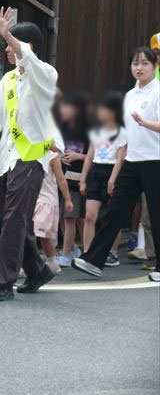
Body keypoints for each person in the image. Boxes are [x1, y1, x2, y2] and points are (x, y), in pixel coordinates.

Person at [0, 8, 57, 301]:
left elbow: (28, 59)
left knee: (15, 219)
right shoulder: (7, 81)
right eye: (6, 43)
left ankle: (4, 282)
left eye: (11, 43)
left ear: (27, 46)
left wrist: (8, 34)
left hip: (31, 160)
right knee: (14, 219)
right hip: (7, 159)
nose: (6, 49)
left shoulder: (45, 75)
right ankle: (37, 269)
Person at [72, 47, 160, 282]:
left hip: (155, 160)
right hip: (132, 161)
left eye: (144, 64)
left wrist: (145, 123)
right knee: (114, 211)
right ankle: (94, 260)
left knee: (156, 214)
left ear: (155, 66)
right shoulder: (130, 95)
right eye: (135, 63)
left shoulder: (158, 92)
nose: (139, 68)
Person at [79, 91, 127, 265]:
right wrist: (83, 179)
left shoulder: (122, 132)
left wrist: (113, 180)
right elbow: (90, 155)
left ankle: (112, 252)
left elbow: (121, 158)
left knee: (112, 216)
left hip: (112, 171)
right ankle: (87, 253)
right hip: (96, 171)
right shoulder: (96, 131)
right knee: (90, 216)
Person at [57, 92, 89, 266]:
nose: (62, 110)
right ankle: (74, 249)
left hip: (79, 179)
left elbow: (94, 156)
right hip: (64, 178)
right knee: (64, 217)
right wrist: (61, 157)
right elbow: (58, 150)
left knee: (71, 217)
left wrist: (78, 156)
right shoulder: (63, 129)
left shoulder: (88, 130)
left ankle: (67, 253)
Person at [33, 138, 74, 274]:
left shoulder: (52, 155)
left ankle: (51, 261)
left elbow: (61, 179)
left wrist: (68, 199)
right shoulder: (28, 151)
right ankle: (34, 262)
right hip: (32, 197)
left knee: (41, 233)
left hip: (47, 198)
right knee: (33, 232)